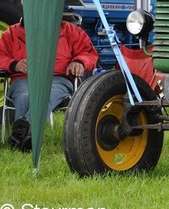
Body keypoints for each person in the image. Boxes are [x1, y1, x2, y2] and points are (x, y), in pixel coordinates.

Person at [0, 18, 98, 151]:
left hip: (59, 79)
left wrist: (79, 62)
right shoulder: (11, 33)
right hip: (23, 78)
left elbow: (88, 52)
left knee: (45, 94)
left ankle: (23, 132)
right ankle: (26, 138)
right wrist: (14, 65)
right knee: (24, 96)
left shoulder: (71, 30)